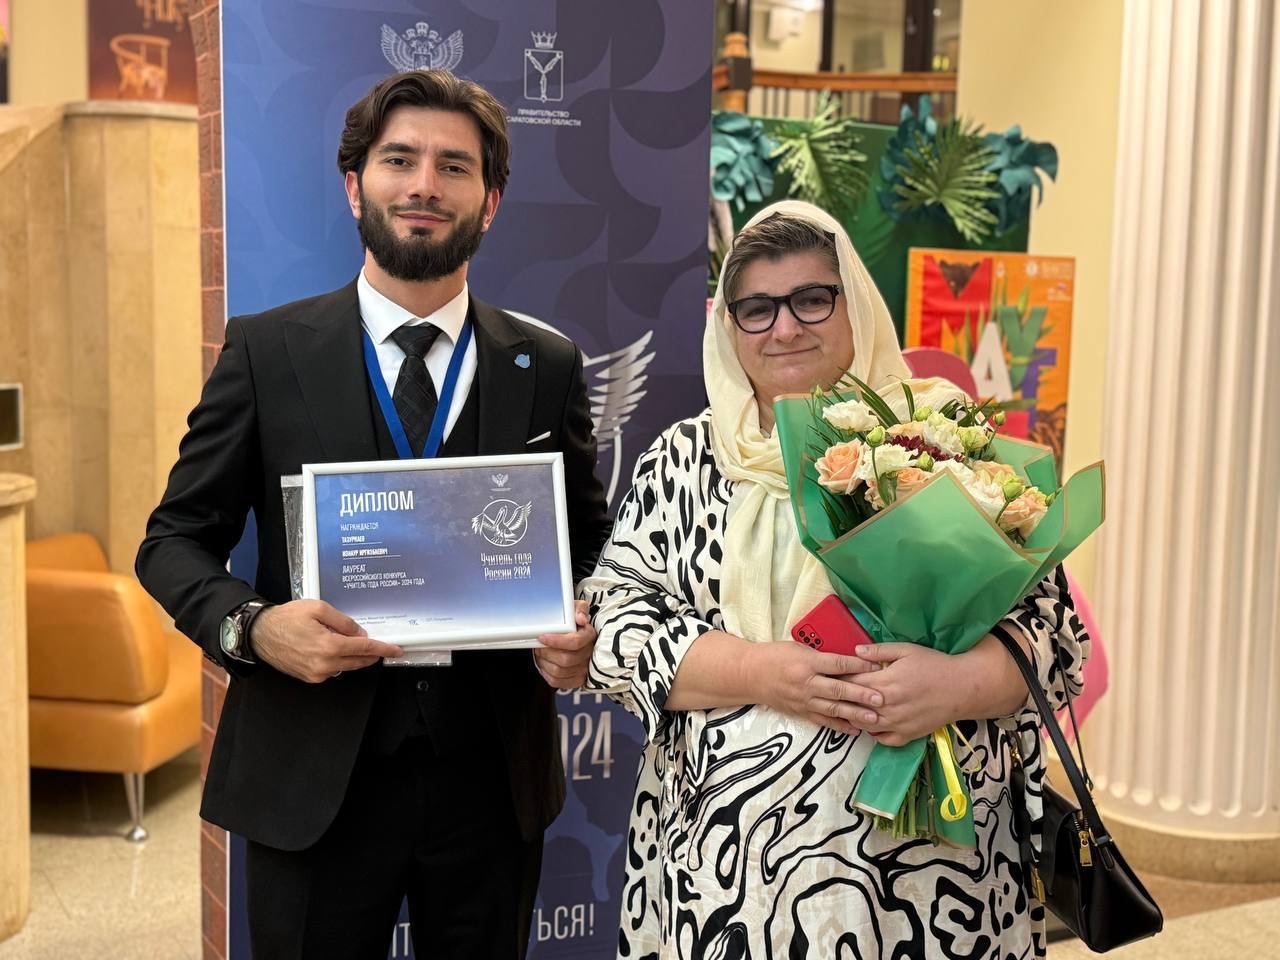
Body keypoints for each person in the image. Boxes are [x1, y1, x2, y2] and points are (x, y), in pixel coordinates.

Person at [136, 69, 611, 959]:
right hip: (309, 779)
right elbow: (174, 541)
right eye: (400, 160)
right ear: (356, 186)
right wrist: (253, 628)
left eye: (454, 166)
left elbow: (592, 548)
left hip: (490, 785)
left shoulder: (545, 364)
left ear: (490, 202)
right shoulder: (267, 352)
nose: (424, 184)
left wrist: (586, 624)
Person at [580, 200, 1089, 959]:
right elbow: (617, 630)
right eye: (757, 308)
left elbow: (1054, 634)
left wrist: (956, 685)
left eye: (812, 298)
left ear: (857, 303)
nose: (785, 328)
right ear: (729, 327)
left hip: (933, 873)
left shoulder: (946, 441)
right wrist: (763, 672)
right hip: (728, 870)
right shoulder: (684, 460)